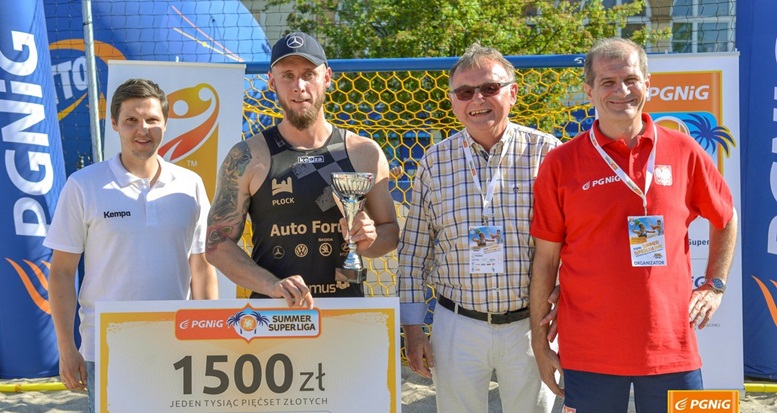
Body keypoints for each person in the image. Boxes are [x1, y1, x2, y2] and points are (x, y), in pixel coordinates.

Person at [529, 37, 737, 413]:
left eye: (631, 80)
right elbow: (545, 261)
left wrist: (715, 286)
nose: (621, 91)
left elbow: (726, 217)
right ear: (589, 91)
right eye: (608, 82)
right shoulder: (560, 163)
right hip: (588, 351)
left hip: (671, 349)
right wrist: (540, 344)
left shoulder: (685, 151)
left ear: (648, 84)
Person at [397, 43, 561, 412]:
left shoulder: (547, 153)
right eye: (465, 92)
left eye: (490, 88)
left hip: (531, 324)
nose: (478, 100)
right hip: (457, 324)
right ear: (453, 101)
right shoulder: (434, 162)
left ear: (512, 93)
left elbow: (575, 242)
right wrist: (413, 329)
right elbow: (414, 253)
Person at [45, 78, 218, 412]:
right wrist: (67, 348)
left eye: (152, 119)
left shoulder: (190, 185)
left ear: (166, 123)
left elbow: (201, 266)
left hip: (177, 342)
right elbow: (62, 272)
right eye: (131, 120)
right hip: (107, 346)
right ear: (114, 124)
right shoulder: (83, 185)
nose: (143, 129)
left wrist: (208, 333)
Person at [205, 32, 398, 307]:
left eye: (309, 74)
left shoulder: (363, 152)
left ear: (327, 78)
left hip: (346, 313)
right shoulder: (247, 156)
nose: (299, 86)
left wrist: (370, 240)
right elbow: (216, 244)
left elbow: (390, 231)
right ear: (272, 82)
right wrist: (271, 285)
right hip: (274, 314)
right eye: (288, 75)